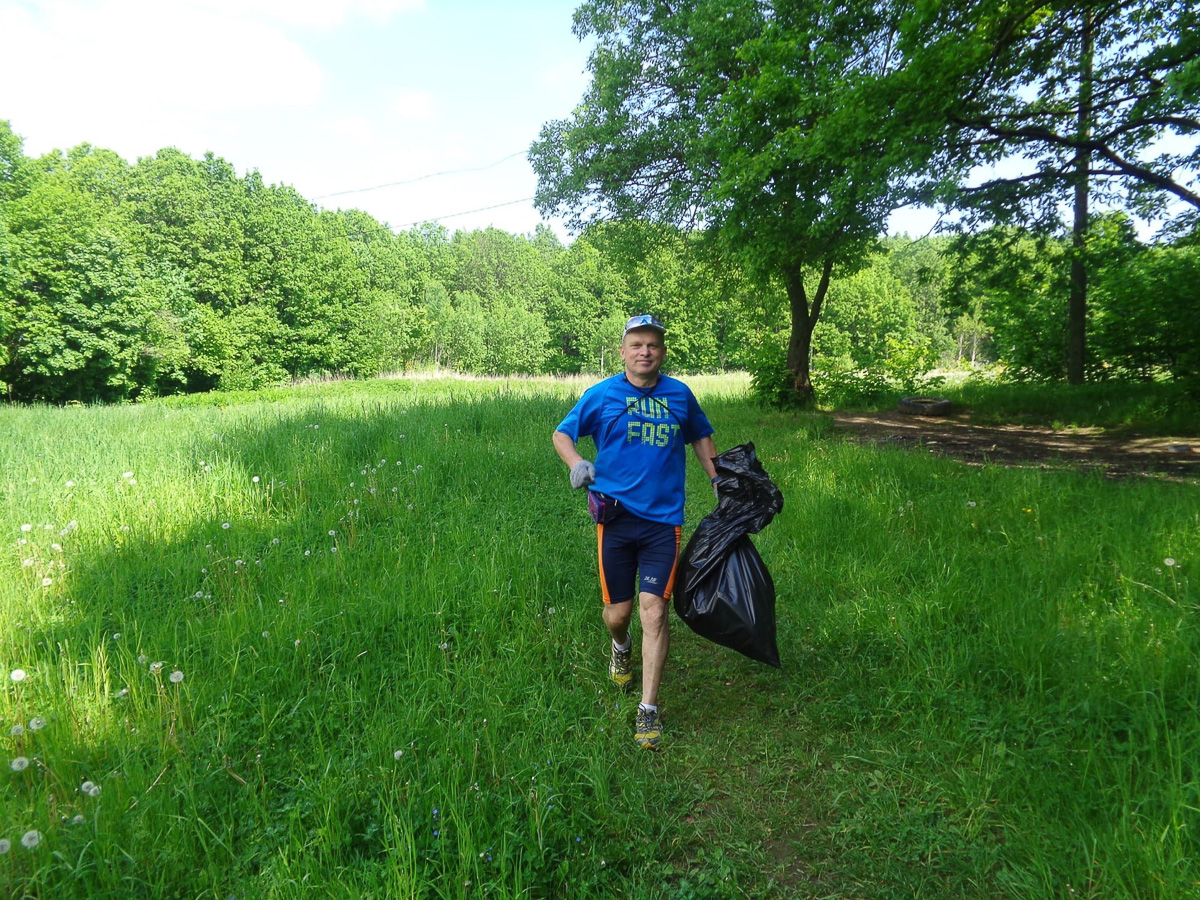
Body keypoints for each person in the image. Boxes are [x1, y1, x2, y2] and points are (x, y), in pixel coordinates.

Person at [553, 314, 718, 750]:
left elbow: (700, 435)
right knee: (619, 614)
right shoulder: (603, 394)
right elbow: (563, 434)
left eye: (654, 345)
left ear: (663, 352)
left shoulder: (679, 395)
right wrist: (577, 464)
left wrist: (718, 479)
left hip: (664, 520)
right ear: (623, 351)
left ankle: (648, 710)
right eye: (637, 344)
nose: (646, 351)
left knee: (655, 611)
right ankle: (620, 645)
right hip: (616, 519)